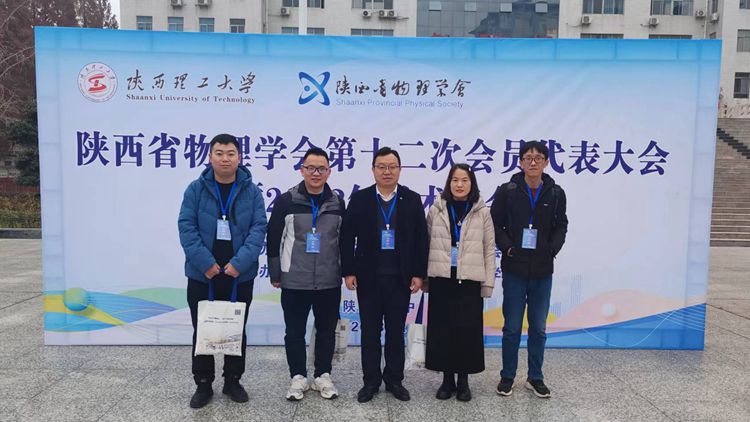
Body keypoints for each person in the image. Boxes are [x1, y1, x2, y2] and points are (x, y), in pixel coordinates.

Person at [178, 134, 267, 409]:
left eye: (230, 153)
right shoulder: (195, 190)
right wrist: (205, 263)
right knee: (202, 328)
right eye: (219, 153)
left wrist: (239, 263)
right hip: (202, 274)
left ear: (239, 157)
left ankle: (233, 381)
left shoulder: (252, 192)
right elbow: (186, 227)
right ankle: (203, 383)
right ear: (210, 157)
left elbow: (258, 229)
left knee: (236, 328)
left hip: (239, 275)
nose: (225, 158)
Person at [340, 147, 428, 403]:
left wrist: (419, 274)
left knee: (395, 332)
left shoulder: (411, 199)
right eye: (382, 166)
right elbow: (347, 237)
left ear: (399, 169)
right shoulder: (361, 198)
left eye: (392, 166)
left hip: (400, 278)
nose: (387, 171)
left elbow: (421, 239)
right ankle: (370, 382)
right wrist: (348, 271)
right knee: (369, 332)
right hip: (368, 277)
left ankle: (394, 380)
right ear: (373, 170)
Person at [266, 147, 346, 401]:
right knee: (294, 331)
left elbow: (344, 241)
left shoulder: (337, 203)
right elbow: (274, 238)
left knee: (326, 331)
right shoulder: (287, 201)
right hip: (294, 280)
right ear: (302, 170)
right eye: (311, 168)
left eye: (321, 168)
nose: (316, 173)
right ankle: (298, 376)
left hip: (328, 280)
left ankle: (323, 375)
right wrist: (276, 273)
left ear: (329, 172)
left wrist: (345, 272)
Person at [490, 140, 568, 399]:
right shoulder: (508, 191)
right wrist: (508, 248)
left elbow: (561, 225)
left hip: (543, 270)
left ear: (546, 162)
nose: (533, 162)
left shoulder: (556, 193)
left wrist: (551, 249)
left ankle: (535, 377)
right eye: (528, 157)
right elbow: (495, 224)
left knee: (538, 328)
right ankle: (507, 376)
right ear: (521, 162)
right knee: (512, 327)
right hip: (514, 269)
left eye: (538, 158)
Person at [423, 163, 495, 402]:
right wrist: (425, 278)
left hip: (469, 280)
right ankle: (446, 381)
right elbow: (425, 244)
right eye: (455, 180)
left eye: (464, 180)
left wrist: (488, 283)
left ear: (471, 183)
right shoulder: (437, 209)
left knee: (466, 332)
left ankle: (463, 381)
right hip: (442, 279)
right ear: (449, 183)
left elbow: (489, 248)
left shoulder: (481, 211)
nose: (459, 184)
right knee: (442, 331)